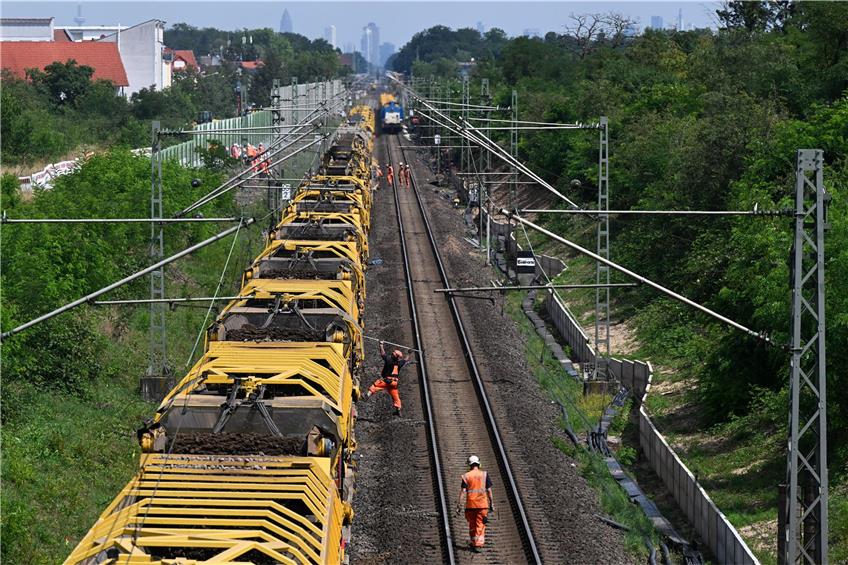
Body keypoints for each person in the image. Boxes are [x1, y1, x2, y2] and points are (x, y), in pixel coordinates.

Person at [362, 341, 413, 416]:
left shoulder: (389, 360)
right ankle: (398, 409)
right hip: (394, 383)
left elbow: (383, 354)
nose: (392, 354)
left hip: (387, 380)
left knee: (376, 385)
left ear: (395, 356)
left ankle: (367, 395)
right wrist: (409, 353)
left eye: (393, 354)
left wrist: (381, 345)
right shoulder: (399, 363)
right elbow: (405, 360)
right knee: (395, 395)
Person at [457, 455, 494, 553]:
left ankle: (474, 542)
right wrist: (491, 503)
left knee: (472, 524)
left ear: (469, 465)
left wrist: (459, 505)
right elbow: (489, 491)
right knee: (480, 524)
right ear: (478, 464)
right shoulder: (484, 475)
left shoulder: (466, 476)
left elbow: (463, 492)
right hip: (482, 505)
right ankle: (478, 544)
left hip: (470, 505)